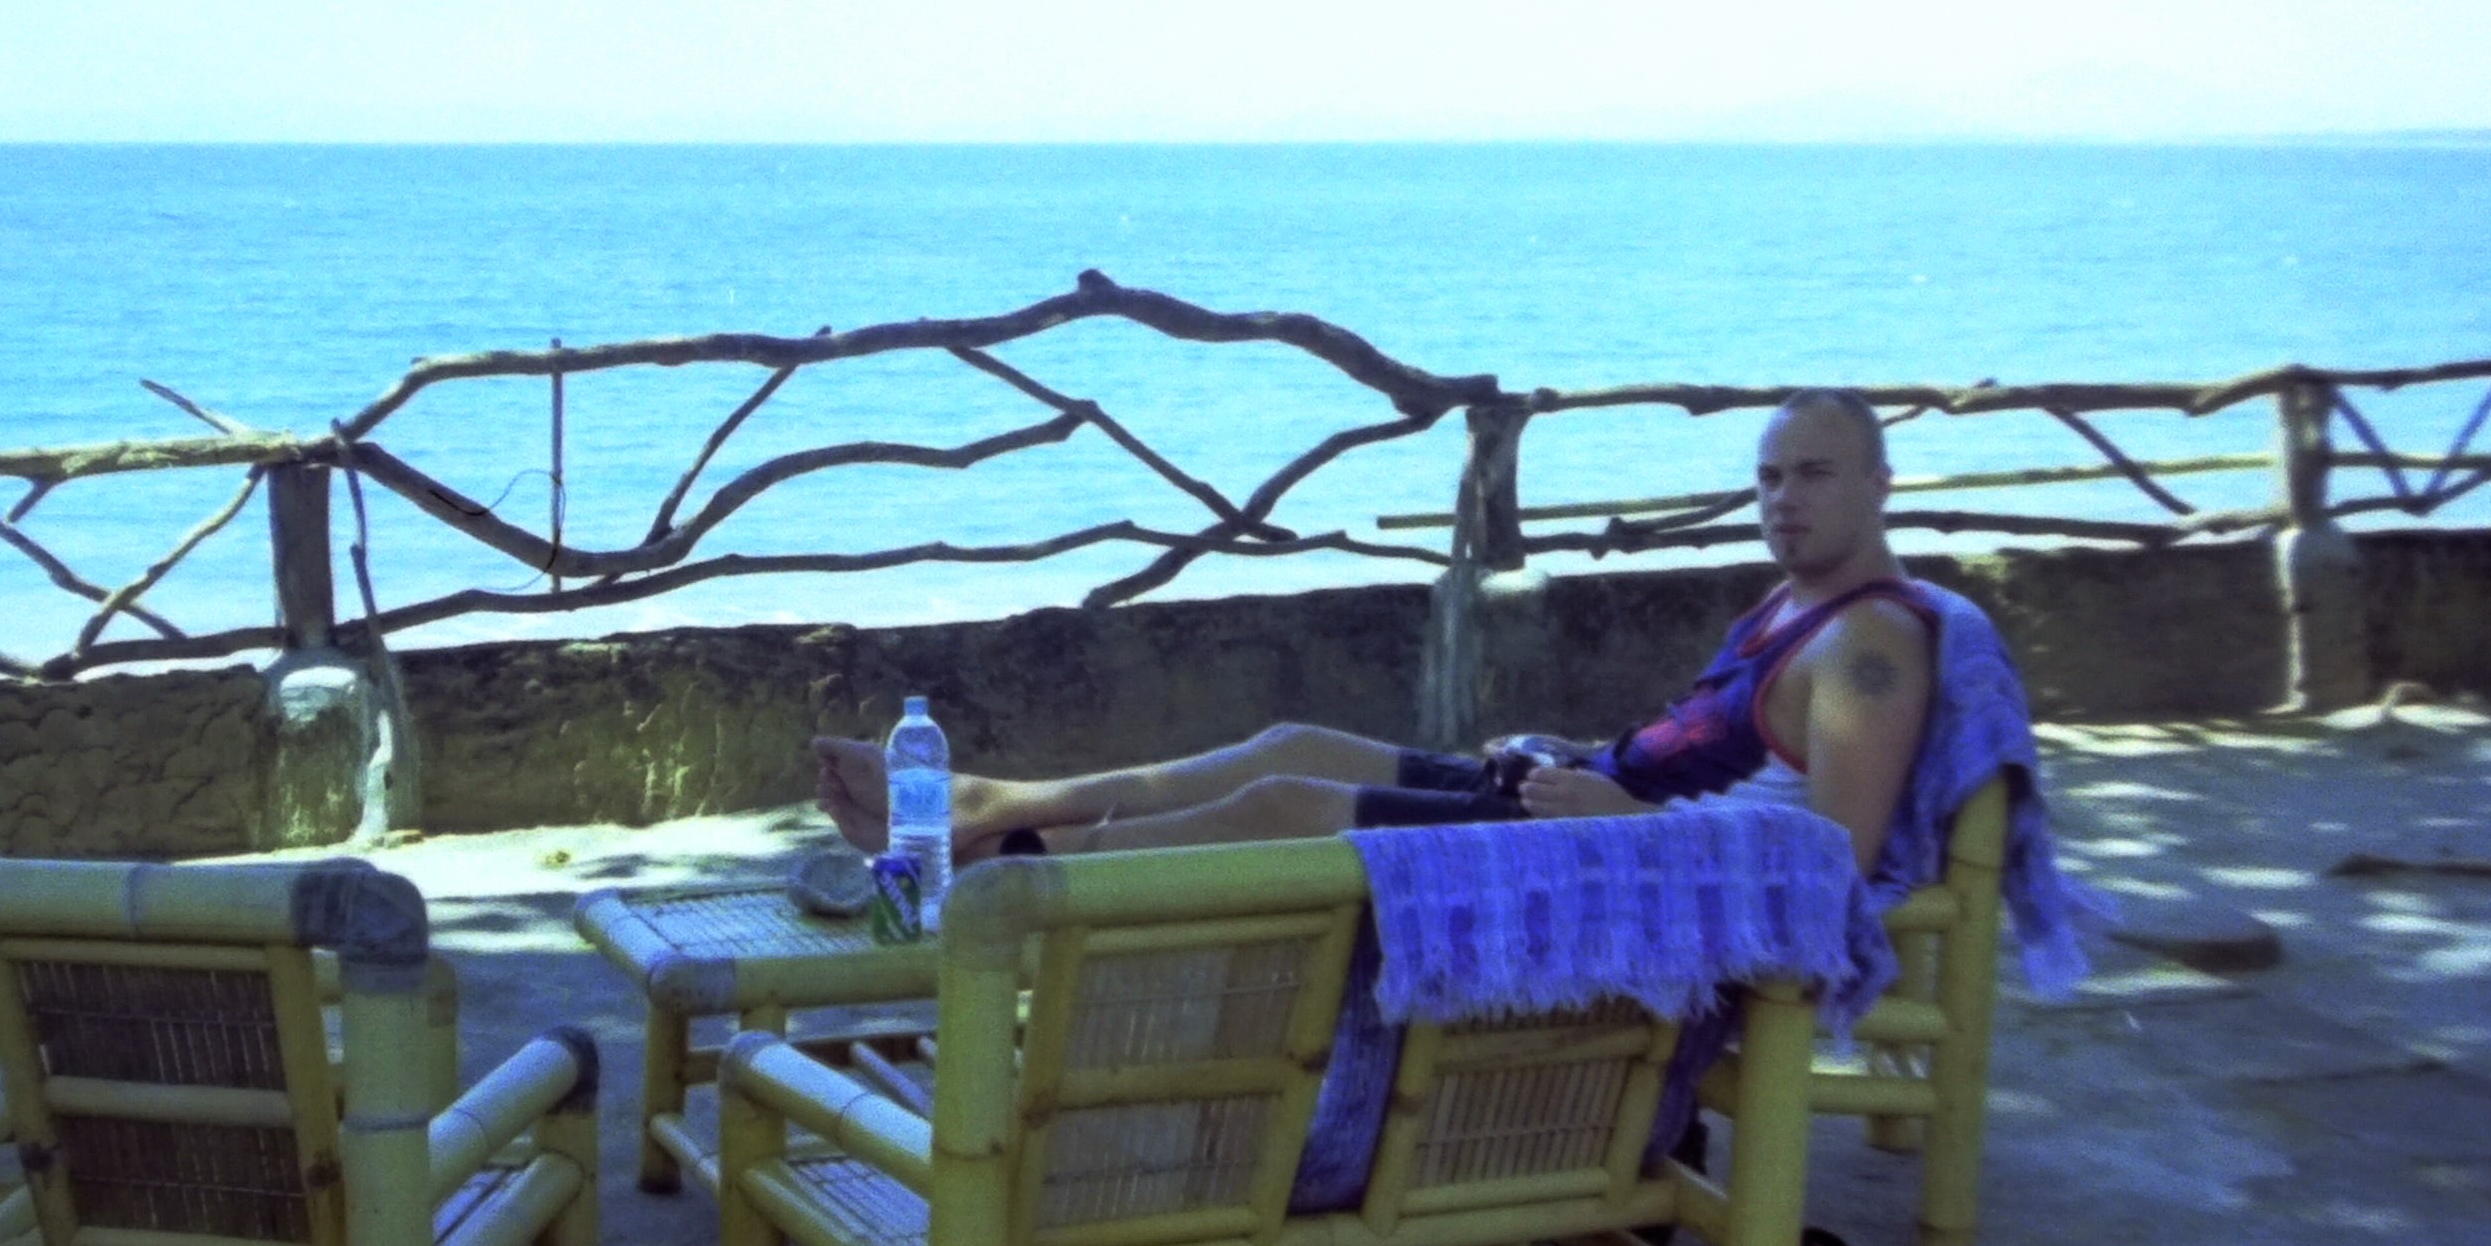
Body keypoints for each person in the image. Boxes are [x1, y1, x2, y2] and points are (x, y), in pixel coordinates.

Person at [813, 388, 1936, 876]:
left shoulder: (1870, 648)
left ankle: (997, 872)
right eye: (1769, 476)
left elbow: (1830, 862)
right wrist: (1579, 761)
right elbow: (1716, 758)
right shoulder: (1790, 605)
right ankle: (990, 803)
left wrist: (1622, 812)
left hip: (1617, 858)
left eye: (1815, 475)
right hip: (1581, 798)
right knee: (1291, 743)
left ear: (1880, 485)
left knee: (1281, 806)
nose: (1783, 499)